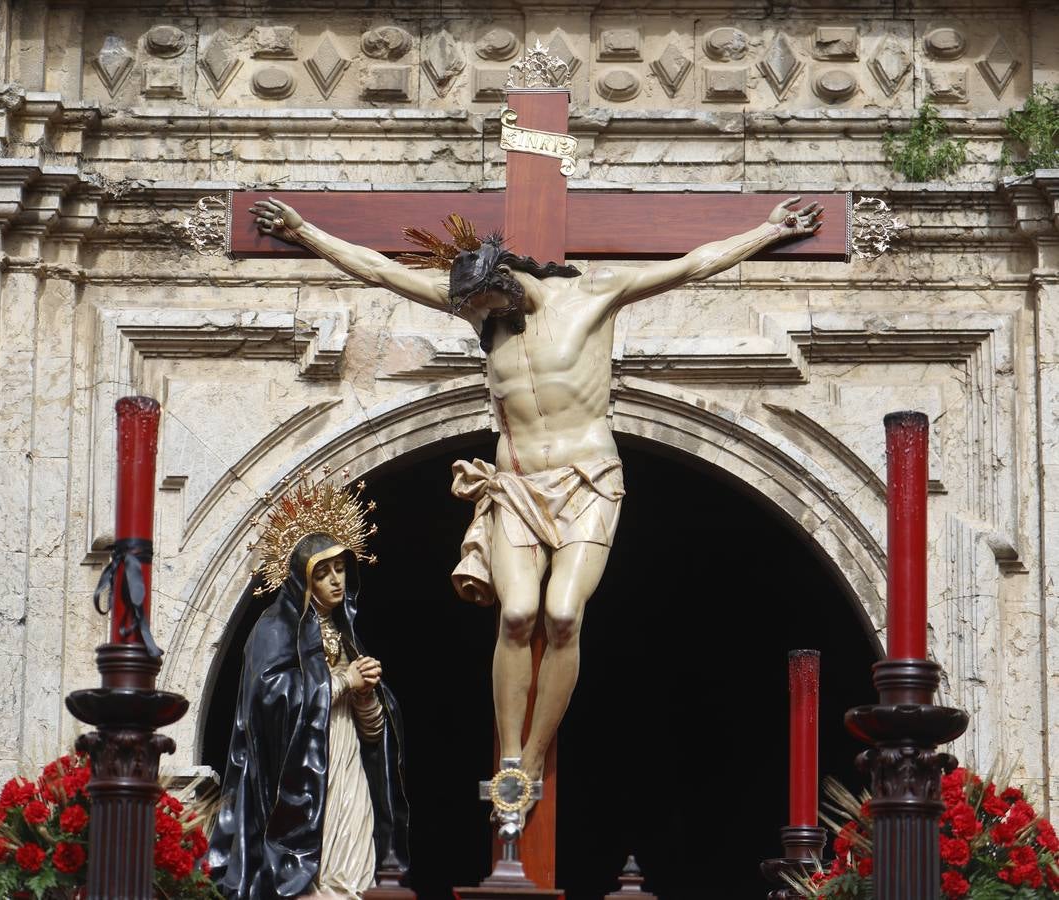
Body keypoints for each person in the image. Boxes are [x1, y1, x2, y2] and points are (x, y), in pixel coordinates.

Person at [248, 196, 822, 788]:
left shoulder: (595, 297)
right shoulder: (482, 315)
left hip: (589, 480)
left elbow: (692, 264)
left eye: (486, 305)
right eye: (471, 311)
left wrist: (767, 232)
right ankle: (510, 755)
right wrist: (304, 232)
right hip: (517, 486)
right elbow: (381, 271)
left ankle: (537, 754)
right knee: (518, 613)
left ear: (509, 283)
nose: (478, 321)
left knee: (564, 614)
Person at [208, 472, 408, 900]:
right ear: (302, 578)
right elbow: (268, 697)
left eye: (341, 569)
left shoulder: (346, 635)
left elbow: (374, 735)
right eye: (324, 573)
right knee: (315, 859)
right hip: (300, 764)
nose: (336, 580)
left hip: (344, 751)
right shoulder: (274, 629)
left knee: (354, 853)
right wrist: (340, 682)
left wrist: (366, 693)